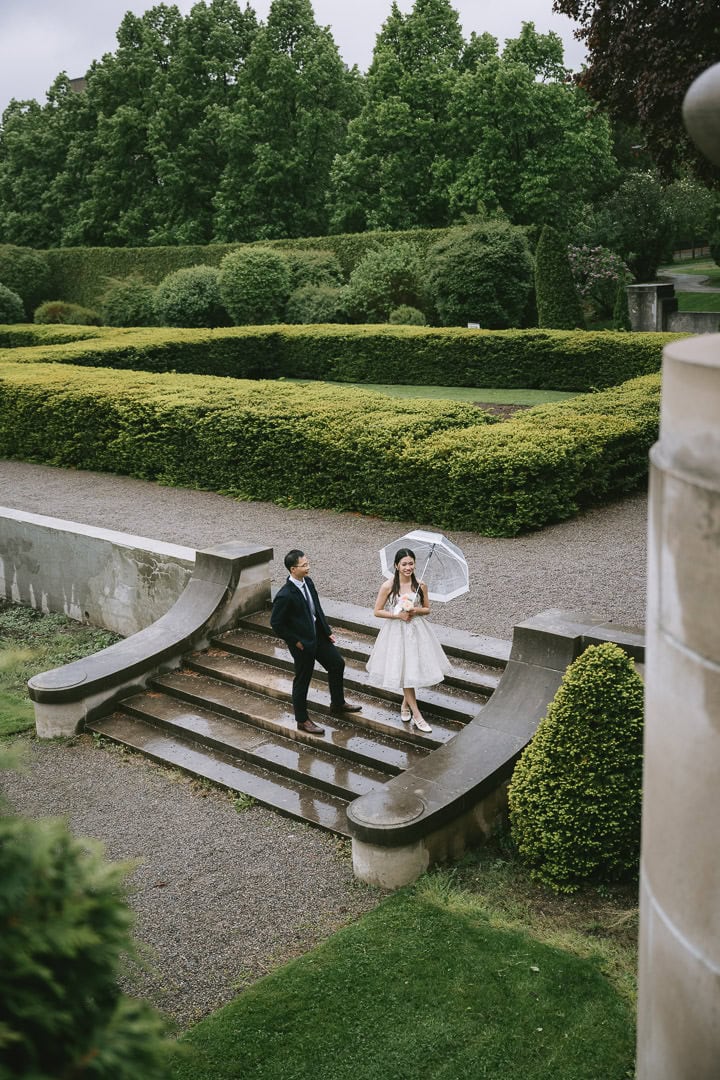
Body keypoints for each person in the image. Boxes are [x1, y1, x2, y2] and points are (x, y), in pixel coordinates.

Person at [270, 549, 362, 735]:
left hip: (317, 635)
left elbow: (316, 608)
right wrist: (295, 642)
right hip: (302, 643)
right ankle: (302, 720)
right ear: (293, 569)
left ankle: (337, 703)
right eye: (304, 565)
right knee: (303, 679)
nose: (308, 567)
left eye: (307, 563)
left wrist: (326, 631)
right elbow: (276, 623)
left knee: (337, 664)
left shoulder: (308, 582)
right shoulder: (285, 595)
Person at [366, 547, 451, 733]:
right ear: (396, 566)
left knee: (412, 668)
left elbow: (427, 609)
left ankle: (405, 706)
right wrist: (398, 616)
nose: (408, 567)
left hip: (417, 630)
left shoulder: (421, 584)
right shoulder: (388, 586)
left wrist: (414, 610)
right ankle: (418, 716)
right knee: (405, 670)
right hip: (396, 632)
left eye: (411, 563)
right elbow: (377, 611)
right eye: (404, 564)